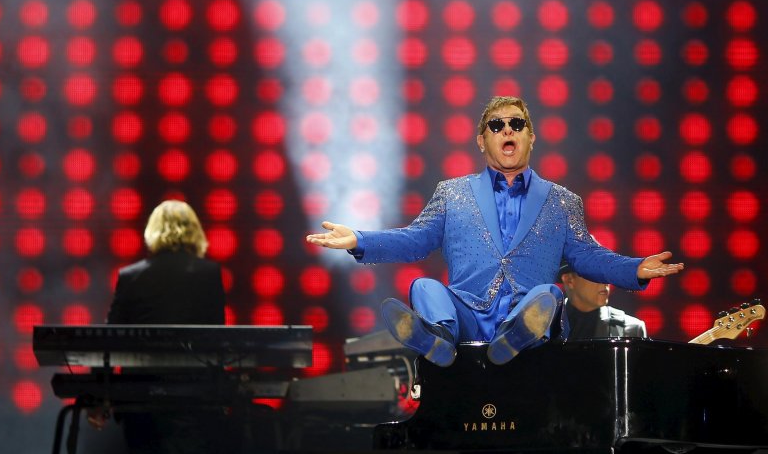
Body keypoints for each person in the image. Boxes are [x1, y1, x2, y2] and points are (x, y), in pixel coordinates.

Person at [306, 95, 683, 367]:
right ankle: (437, 340)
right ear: (482, 140)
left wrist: (634, 268)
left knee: (548, 292)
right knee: (423, 288)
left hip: (526, 315)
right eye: (497, 125)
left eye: (517, 124)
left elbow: (588, 256)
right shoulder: (451, 193)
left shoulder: (562, 202)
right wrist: (360, 239)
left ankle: (517, 335)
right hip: (468, 314)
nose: (508, 129)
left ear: (530, 138)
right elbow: (416, 240)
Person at [87, 199, 228, 454]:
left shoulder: (130, 276)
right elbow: (217, 337)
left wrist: (97, 396)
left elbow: (108, 339)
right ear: (194, 231)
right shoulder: (210, 274)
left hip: (140, 398)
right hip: (193, 397)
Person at [559, 262, 648, 340]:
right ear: (569, 280)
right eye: (596, 273)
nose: (605, 280)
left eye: (607, 273)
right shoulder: (547, 327)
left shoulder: (631, 330)